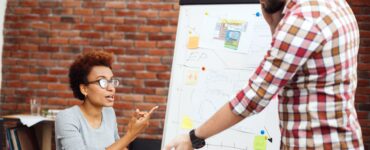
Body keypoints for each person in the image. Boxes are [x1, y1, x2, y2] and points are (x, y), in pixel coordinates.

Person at [165, 0, 364, 149]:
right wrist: (273, 24)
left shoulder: (302, 19)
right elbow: (293, 67)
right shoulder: (335, 4)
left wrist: (193, 138)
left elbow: (253, 97)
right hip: (341, 140)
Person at [55, 51, 158, 150]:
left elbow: (119, 147)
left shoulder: (109, 112)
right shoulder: (67, 118)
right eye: (102, 81)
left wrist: (134, 131)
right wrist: (131, 134)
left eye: (111, 81)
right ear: (84, 89)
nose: (111, 88)